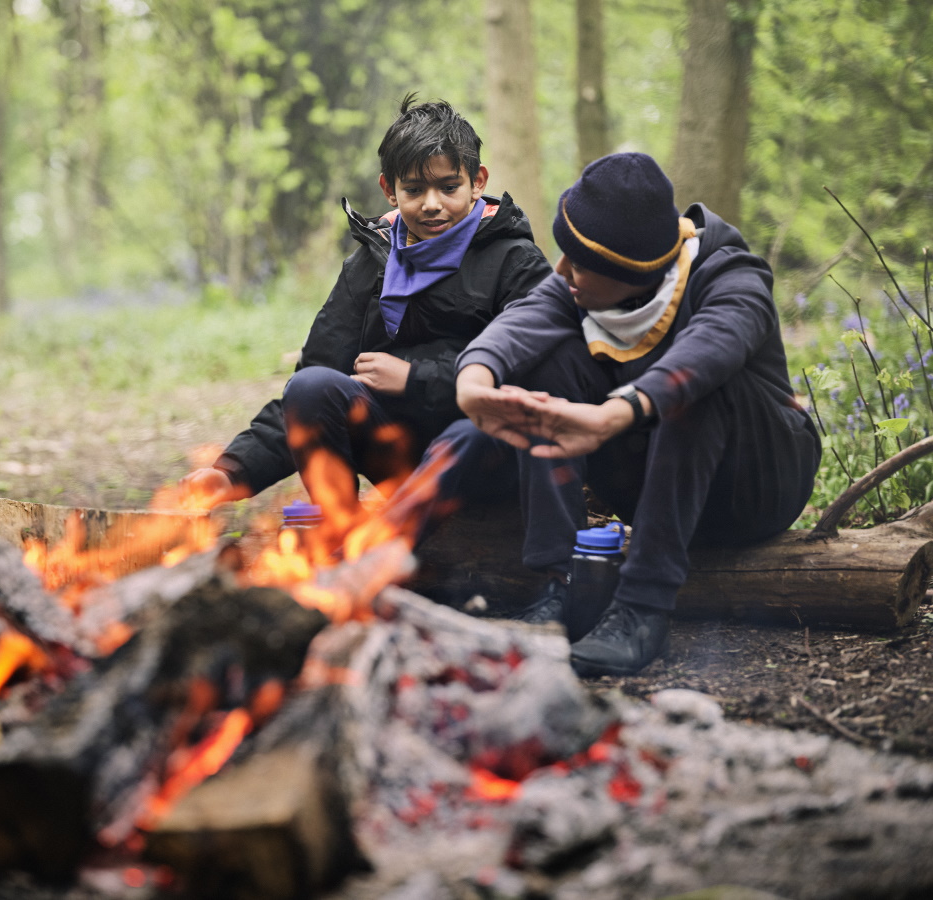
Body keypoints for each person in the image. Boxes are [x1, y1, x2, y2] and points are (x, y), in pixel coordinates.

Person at [455, 151, 821, 677]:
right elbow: (524, 320)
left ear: (632, 271)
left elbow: (713, 346)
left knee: (695, 383)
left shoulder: (730, 275)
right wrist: (473, 382)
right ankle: (563, 585)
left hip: (756, 489)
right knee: (545, 361)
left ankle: (642, 607)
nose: (562, 271)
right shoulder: (580, 284)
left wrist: (614, 413)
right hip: (655, 487)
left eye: (579, 263)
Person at [181, 95, 552, 528]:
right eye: (414, 190)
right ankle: (342, 531)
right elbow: (310, 388)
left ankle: (399, 536)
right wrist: (231, 471)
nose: (431, 204)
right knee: (312, 386)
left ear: (477, 182)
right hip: (398, 457)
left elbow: (536, 377)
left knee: (471, 432)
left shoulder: (515, 261)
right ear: (389, 190)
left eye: (449, 187)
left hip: (484, 456)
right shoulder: (371, 263)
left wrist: (414, 378)